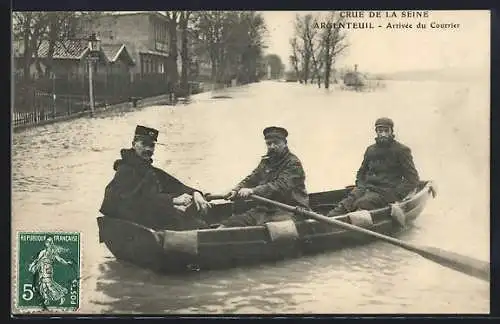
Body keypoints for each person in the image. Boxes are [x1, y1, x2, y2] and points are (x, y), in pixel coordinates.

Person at [99, 125, 211, 230]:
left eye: (151, 145)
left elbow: (174, 185)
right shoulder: (126, 170)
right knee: (199, 226)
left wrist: (195, 193)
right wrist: (173, 200)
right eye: (144, 144)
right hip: (135, 229)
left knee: (199, 222)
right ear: (134, 145)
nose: (148, 149)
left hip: (149, 222)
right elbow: (132, 201)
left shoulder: (147, 168)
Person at [327, 117, 420, 217]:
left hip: (386, 192)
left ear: (391, 131)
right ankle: (327, 220)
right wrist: (361, 186)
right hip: (366, 188)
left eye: (386, 131)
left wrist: (396, 195)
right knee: (347, 203)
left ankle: (350, 221)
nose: (383, 134)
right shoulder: (371, 150)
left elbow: (412, 179)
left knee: (363, 204)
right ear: (376, 132)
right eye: (380, 131)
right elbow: (361, 172)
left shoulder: (401, 150)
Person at [219, 126, 310, 227]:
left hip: (290, 210)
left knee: (270, 230)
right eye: (269, 143)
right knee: (230, 223)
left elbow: (280, 186)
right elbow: (252, 178)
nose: (272, 146)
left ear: (284, 143)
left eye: (276, 143)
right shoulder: (266, 161)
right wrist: (236, 190)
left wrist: (253, 191)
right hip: (265, 210)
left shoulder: (293, 163)